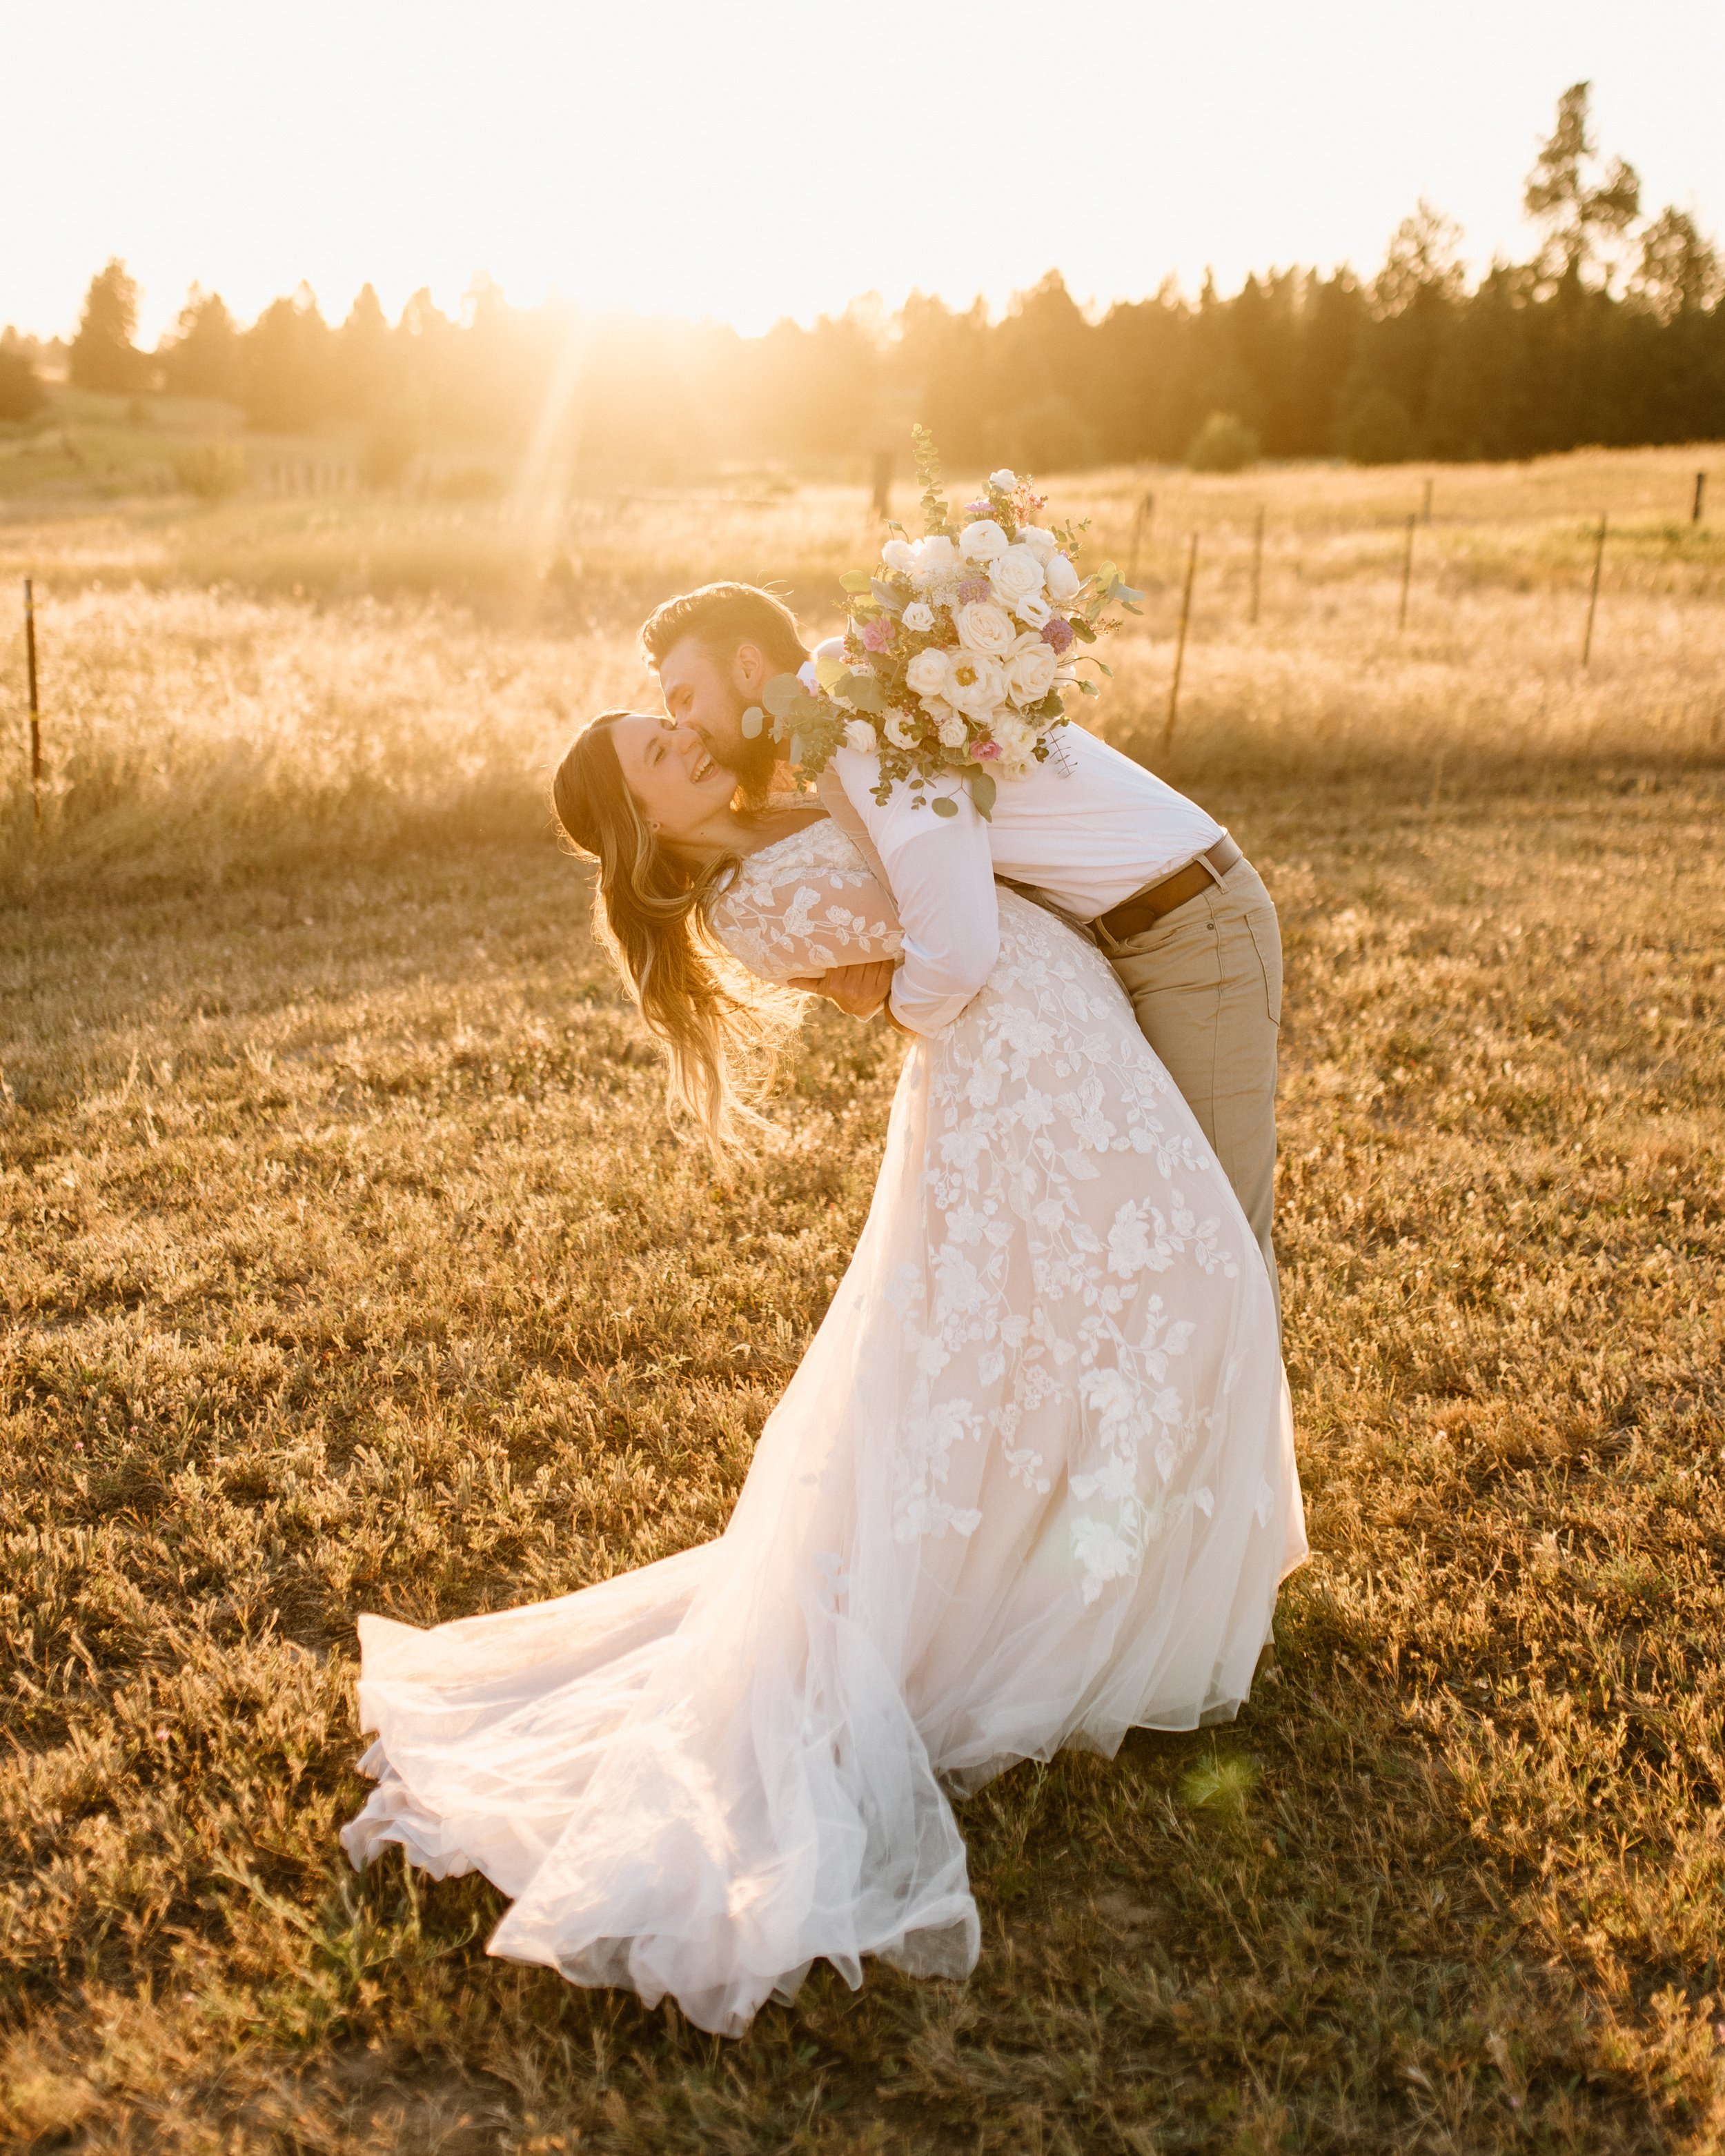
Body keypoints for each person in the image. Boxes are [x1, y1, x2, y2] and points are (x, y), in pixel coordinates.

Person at [340, 700, 1305, 2039]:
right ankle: (1077, 1589)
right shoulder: (743, 901)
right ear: (646, 827)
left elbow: (924, 885)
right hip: (1014, 1066)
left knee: (1143, 1307)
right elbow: (924, 927)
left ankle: (1110, 1564)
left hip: (1059, 1042)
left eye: (667, 725)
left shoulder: (796, 797)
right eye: (651, 758)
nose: (680, 741)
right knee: (1157, 1298)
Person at [643, 583, 1285, 1317]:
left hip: (1193, 932)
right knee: (1167, 1226)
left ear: (749, 666)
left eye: (686, 697)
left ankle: (1242, 1429)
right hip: (1123, 944)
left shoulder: (859, 717)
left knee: (1218, 1242)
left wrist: (899, 1002)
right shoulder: (844, 709)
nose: (684, 725)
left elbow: (957, 952)